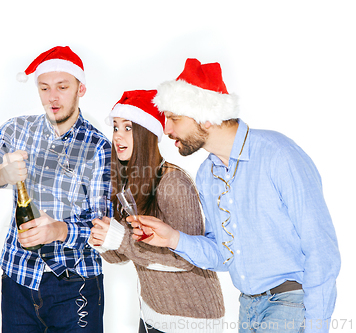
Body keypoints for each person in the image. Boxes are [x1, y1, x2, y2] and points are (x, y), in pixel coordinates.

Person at [130, 59, 341, 333]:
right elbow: (224, 254)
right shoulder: (207, 174)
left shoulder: (278, 155)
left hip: (289, 305)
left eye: (174, 118)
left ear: (205, 116)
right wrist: (172, 238)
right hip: (248, 309)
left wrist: (316, 328)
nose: (166, 129)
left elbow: (322, 251)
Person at [0, 46, 111, 333]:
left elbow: (102, 226)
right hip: (19, 278)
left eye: (62, 87)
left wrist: (59, 231)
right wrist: (1, 174)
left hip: (77, 283)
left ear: (80, 89)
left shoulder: (98, 147)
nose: (53, 97)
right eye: (44, 88)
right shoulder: (15, 129)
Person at [89, 89, 225, 333]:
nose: (118, 136)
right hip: (153, 314)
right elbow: (123, 255)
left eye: (128, 128)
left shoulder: (172, 183)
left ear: (147, 133)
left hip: (190, 321)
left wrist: (119, 239)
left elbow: (184, 260)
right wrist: (103, 241)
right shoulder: (130, 182)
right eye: (116, 127)